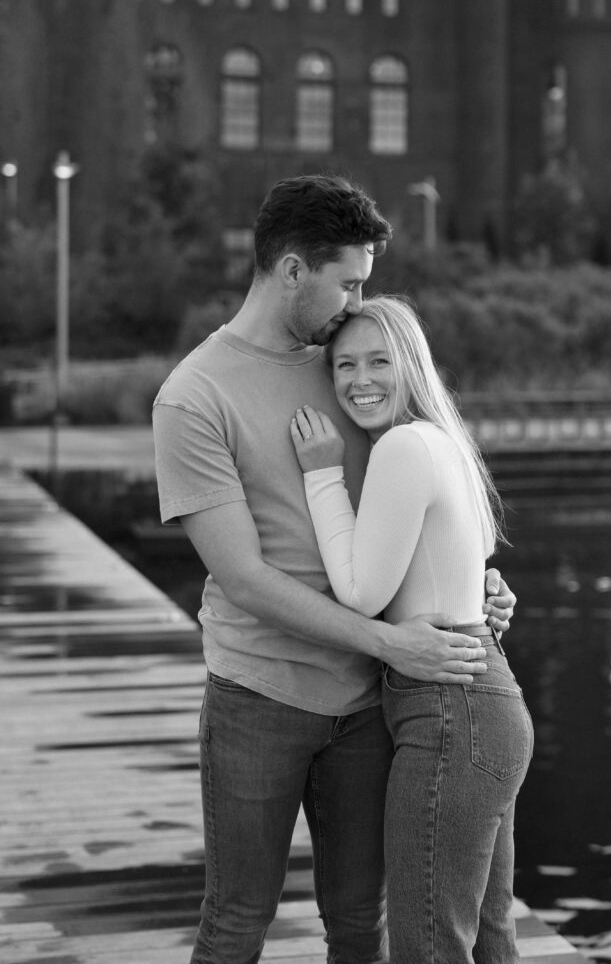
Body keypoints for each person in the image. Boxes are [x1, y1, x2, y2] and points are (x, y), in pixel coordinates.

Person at [152, 174, 517, 964]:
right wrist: (393, 644)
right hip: (260, 695)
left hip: (369, 703)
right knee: (236, 920)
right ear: (291, 270)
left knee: (360, 922)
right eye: (346, 281)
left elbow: (418, 495)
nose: (355, 300)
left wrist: (470, 581)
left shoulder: (346, 361)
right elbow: (244, 577)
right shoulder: (193, 397)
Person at [290, 294, 533, 964]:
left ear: (412, 365)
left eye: (377, 361)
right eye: (343, 366)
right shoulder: (443, 440)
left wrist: (319, 477)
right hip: (481, 699)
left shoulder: (400, 445)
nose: (359, 379)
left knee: (426, 945)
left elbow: (363, 595)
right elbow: (466, 568)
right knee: (485, 939)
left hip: (448, 712)